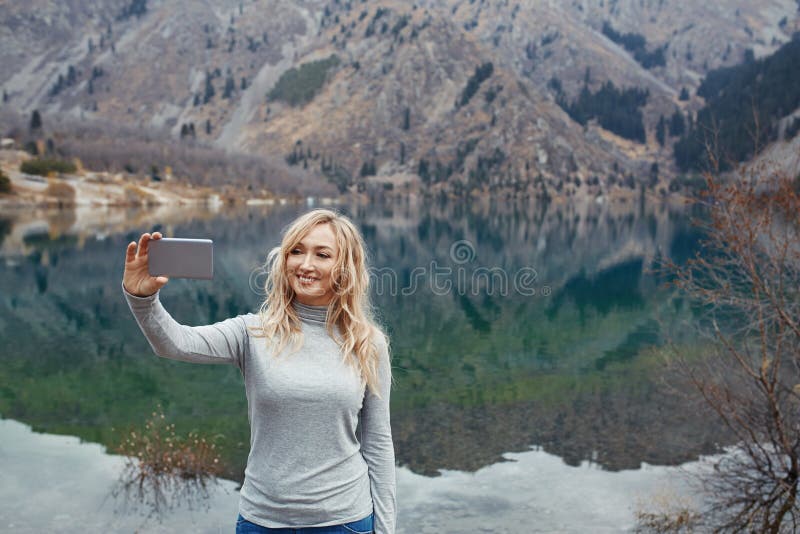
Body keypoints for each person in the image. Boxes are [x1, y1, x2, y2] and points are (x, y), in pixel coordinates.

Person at [122, 209, 396, 534]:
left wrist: (386, 527)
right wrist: (143, 298)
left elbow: (378, 443)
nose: (305, 264)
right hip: (262, 521)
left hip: (345, 522)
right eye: (296, 250)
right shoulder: (253, 332)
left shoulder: (368, 343)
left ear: (344, 267)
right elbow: (175, 343)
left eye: (322, 254)